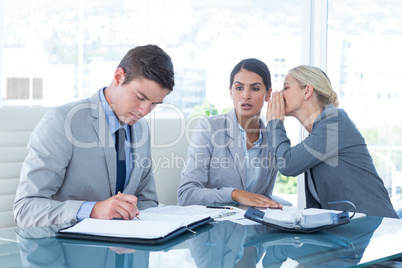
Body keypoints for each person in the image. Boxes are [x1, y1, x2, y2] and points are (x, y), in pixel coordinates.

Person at [14, 44, 175, 228]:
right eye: (140, 97)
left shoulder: (141, 130)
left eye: (154, 104)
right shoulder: (63, 121)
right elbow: (25, 210)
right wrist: (93, 210)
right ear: (118, 77)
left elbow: (147, 202)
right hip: (69, 252)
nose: (145, 111)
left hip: (127, 250)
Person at [266, 65, 398, 218]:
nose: (280, 94)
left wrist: (275, 123)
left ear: (307, 91)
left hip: (377, 227)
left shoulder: (335, 122)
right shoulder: (319, 133)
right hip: (352, 230)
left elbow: (287, 164)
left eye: (285, 87)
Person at [178, 58, 282, 208]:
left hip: (250, 226)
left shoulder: (272, 139)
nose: (246, 95)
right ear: (230, 91)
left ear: (268, 94)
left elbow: (262, 197)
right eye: (239, 88)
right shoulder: (209, 128)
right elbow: (186, 195)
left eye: (255, 88)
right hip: (209, 226)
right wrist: (235, 194)